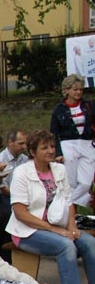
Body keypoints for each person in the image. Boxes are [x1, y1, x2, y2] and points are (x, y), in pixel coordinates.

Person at [6, 129, 95, 284]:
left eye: (52, 146)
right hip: (27, 231)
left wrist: (72, 226)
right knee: (66, 246)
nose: (51, 151)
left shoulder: (59, 170)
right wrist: (53, 230)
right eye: (44, 147)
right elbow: (20, 213)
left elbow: (69, 202)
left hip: (58, 226)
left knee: (90, 243)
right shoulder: (22, 172)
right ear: (32, 151)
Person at [51, 74, 95, 207]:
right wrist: (58, 152)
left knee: (86, 182)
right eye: (75, 89)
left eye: (80, 89)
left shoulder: (88, 105)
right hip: (68, 144)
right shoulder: (59, 109)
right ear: (67, 90)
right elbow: (54, 133)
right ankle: (70, 211)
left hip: (86, 143)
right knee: (70, 182)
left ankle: (64, 203)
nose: (78, 92)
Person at [0, 129, 29, 196]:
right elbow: (2, 187)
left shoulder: (25, 159)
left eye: (25, 143)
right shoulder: (0, 160)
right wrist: (17, 196)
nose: (24, 147)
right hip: (6, 196)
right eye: (21, 143)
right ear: (10, 142)